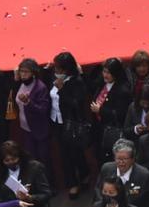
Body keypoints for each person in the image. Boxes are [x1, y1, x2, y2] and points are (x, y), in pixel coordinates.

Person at [51, 52, 91, 199]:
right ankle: (72, 183)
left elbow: (76, 104)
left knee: (75, 154)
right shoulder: (54, 78)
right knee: (64, 155)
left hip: (72, 123)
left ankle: (84, 174)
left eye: (59, 68)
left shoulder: (76, 82)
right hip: (57, 122)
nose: (56, 71)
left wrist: (62, 90)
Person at [95, 139, 149, 207]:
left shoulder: (144, 175)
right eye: (118, 158)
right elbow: (98, 191)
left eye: (125, 159)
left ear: (133, 159)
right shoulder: (106, 169)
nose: (121, 162)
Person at [0, 141, 51, 207]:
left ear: (20, 156)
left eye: (13, 159)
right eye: (7, 160)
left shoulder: (34, 167)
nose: (11, 162)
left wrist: (30, 198)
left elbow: (46, 194)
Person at [91, 58, 132, 162]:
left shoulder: (122, 90)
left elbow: (121, 114)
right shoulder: (102, 84)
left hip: (113, 133)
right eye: (104, 71)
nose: (105, 75)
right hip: (100, 129)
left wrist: (100, 110)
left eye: (109, 72)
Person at [15, 59, 51, 171]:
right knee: (31, 160)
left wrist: (28, 102)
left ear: (33, 73)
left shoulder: (40, 87)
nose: (23, 74)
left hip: (39, 130)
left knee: (43, 160)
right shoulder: (19, 84)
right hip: (26, 129)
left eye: (26, 72)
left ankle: (48, 185)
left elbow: (43, 110)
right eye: (21, 71)